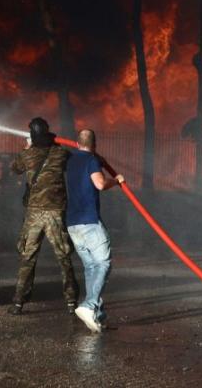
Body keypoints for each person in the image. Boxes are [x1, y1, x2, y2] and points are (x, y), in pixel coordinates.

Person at [7, 117, 79, 315]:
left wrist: (28, 148)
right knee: (63, 257)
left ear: (32, 136)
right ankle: (71, 301)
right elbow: (68, 159)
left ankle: (18, 302)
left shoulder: (27, 155)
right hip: (55, 212)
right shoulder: (60, 153)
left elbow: (13, 169)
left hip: (34, 214)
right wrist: (53, 143)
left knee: (28, 257)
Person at [66, 129, 124, 333]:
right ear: (95, 144)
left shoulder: (70, 159)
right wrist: (116, 181)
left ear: (76, 143)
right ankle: (89, 305)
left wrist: (96, 159)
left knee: (91, 267)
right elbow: (100, 184)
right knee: (104, 263)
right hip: (89, 221)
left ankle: (97, 315)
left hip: (72, 224)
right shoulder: (91, 160)